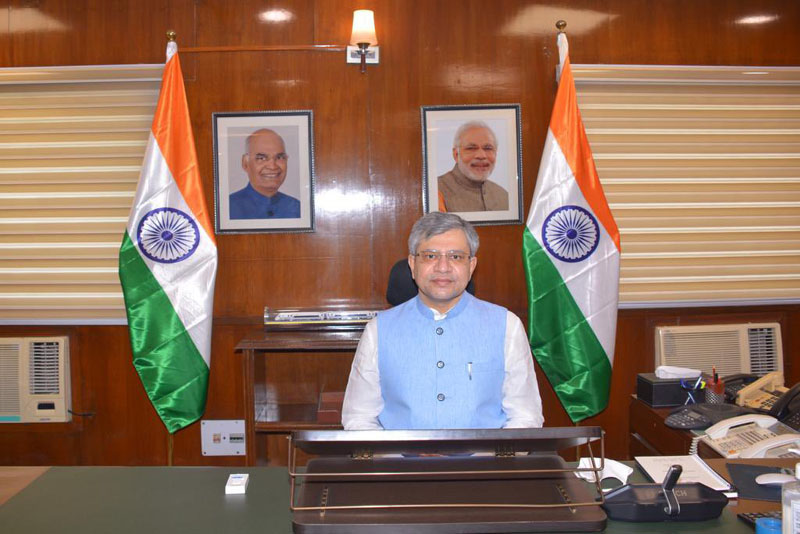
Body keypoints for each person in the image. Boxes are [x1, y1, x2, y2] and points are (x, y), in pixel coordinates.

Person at [341, 212, 544, 430]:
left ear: (471, 265)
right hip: (401, 454)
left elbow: (525, 417)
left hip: (485, 453)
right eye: (430, 256)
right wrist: (394, 452)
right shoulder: (378, 330)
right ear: (412, 264)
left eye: (456, 256)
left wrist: (494, 453)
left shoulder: (507, 326)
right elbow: (359, 418)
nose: (443, 267)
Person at [437, 121, 509, 212]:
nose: (481, 156)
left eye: (488, 148)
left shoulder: (503, 196)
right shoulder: (437, 191)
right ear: (456, 155)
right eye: (471, 148)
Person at [229, 128, 300, 219]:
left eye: (279, 157)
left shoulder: (297, 209)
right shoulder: (228, 209)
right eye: (261, 158)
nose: (272, 166)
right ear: (245, 163)